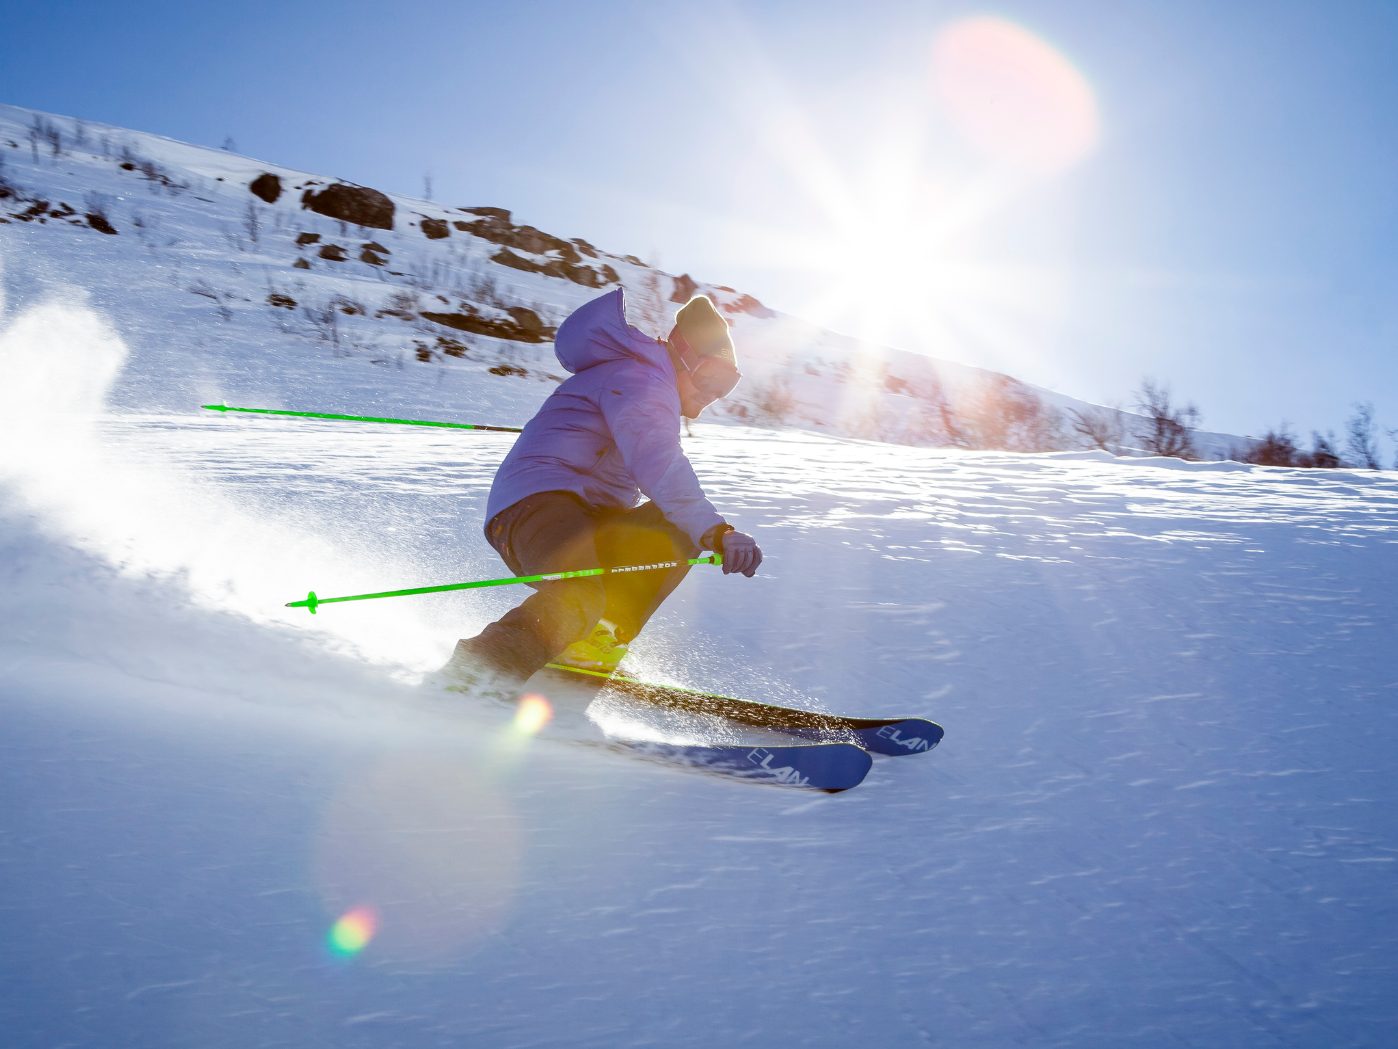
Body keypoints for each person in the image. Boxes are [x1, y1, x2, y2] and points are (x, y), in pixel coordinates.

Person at [436, 287, 763, 690]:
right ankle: (476, 676)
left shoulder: (644, 382)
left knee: (671, 526)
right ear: (683, 357)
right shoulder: (643, 379)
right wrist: (718, 530)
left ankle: (587, 648)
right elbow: (658, 461)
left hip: (585, 516)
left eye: (726, 386)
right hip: (535, 508)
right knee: (581, 592)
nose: (712, 395)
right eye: (710, 377)